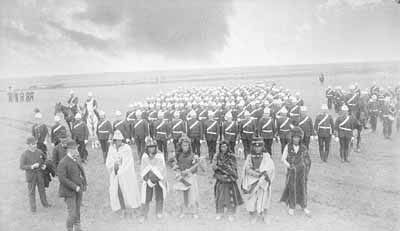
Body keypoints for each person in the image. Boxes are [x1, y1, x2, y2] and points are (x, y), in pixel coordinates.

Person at [106, 130, 141, 217]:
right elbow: (109, 160)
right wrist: (114, 167)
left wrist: (121, 170)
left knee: (129, 190)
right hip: (115, 173)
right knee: (118, 191)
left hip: (126, 174)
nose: (118, 142)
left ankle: (134, 208)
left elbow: (128, 162)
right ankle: (123, 209)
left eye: (119, 140)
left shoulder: (127, 148)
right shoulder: (112, 148)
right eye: (116, 140)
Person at [241, 137, 275, 224]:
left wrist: (263, 176)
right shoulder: (249, 156)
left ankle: (264, 214)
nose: (257, 148)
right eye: (255, 147)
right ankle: (253, 215)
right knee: (252, 199)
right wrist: (256, 174)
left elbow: (270, 168)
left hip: (263, 181)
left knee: (264, 198)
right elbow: (247, 168)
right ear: (253, 147)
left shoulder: (266, 156)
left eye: (259, 146)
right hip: (252, 180)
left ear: (262, 147)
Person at [280, 127, 311, 216]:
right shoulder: (288, 146)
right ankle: (291, 207)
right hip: (292, 172)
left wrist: (305, 169)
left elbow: (308, 160)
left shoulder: (304, 148)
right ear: (292, 137)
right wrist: (289, 166)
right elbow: (283, 159)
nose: (296, 139)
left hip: (302, 172)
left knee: (303, 188)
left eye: (298, 137)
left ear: (301, 138)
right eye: (294, 137)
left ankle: (304, 206)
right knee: (292, 188)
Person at [57, 140, 87, 231]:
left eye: (77, 149)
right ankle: (69, 229)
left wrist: (83, 184)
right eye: (75, 149)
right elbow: (62, 179)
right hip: (69, 192)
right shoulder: (63, 163)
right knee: (72, 213)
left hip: (78, 190)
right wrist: (75, 187)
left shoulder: (76, 158)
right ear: (69, 150)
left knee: (77, 211)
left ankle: (78, 228)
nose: (77, 151)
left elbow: (81, 172)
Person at [212, 141, 243, 221]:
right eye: (222, 147)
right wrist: (220, 171)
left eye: (225, 147)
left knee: (230, 198)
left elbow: (234, 168)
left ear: (228, 147)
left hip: (230, 181)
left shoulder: (231, 156)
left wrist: (227, 172)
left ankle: (231, 214)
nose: (223, 149)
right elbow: (214, 167)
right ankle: (220, 213)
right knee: (220, 198)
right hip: (220, 180)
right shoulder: (217, 156)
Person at [20, 136, 52, 212]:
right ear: (29, 145)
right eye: (33, 144)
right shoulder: (24, 154)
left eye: (35, 143)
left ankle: (45, 204)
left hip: (40, 175)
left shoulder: (39, 151)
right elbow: (22, 166)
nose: (35, 145)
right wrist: (31, 166)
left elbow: (45, 159)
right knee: (31, 192)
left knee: (42, 190)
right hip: (31, 176)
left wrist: (44, 165)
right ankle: (33, 209)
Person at [139, 137, 167, 223]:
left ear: (155, 147)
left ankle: (159, 212)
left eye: (153, 147)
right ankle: (144, 214)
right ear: (147, 148)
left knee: (159, 194)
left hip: (157, 179)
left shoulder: (159, 155)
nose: (151, 149)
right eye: (149, 147)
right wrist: (147, 179)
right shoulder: (144, 156)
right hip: (148, 179)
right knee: (145, 196)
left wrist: (153, 179)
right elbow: (143, 169)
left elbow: (161, 169)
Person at [173, 135, 201, 219]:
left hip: (190, 177)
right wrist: (176, 167)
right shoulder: (179, 155)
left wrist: (189, 171)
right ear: (181, 146)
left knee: (192, 195)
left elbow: (196, 168)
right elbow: (176, 164)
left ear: (189, 146)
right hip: (182, 178)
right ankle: (183, 211)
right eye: (183, 145)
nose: (185, 147)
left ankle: (194, 212)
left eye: (187, 145)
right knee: (182, 195)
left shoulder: (193, 156)